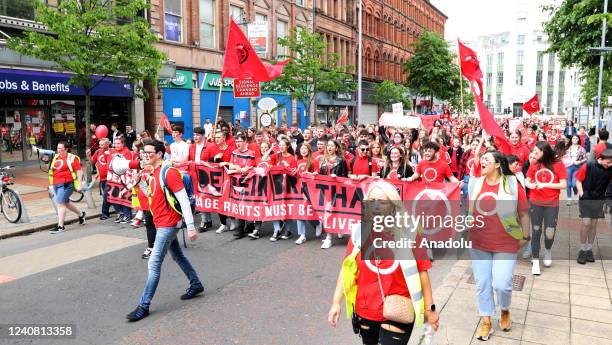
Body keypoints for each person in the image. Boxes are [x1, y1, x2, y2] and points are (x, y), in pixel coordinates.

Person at [327, 180, 438, 345]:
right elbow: (347, 270)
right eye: (372, 201)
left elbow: (423, 272)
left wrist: (430, 310)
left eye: (382, 201)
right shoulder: (359, 232)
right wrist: (336, 302)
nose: (376, 206)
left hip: (398, 308)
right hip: (366, 310)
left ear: (393, 205)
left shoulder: (410, 232)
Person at [126, 139, 204, 322]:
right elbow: (153, 196)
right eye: (143, 153)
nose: (145, 156)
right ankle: (196, 284)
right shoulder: (152, 172)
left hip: (168, 224)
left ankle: (143, 306)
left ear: (160, 154)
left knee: (153, 264)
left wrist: (191, 227)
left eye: (149, 153)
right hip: (161, 222)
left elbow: (184, 200)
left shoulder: (168, 173)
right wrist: (140, 185)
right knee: (177, 256)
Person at [467, 151, 530, 341]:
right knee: (483, 283)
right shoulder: (475, 183)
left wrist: (525, 236)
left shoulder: (511, 183)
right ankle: (486, 320)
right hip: (479, 242)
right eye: (482, 158)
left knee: (502, 284)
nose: (482, 161)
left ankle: (504, 309)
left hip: (506, 241)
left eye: (487, 159)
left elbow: (524, 213)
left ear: (497, 164)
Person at [525, 141, 567, 275]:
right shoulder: (534, 164)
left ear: (545, 152)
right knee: (536, 231)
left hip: (551, 203)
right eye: (533, 151)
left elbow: (563, 184)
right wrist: (530, 186)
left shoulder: (558, 164)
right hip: (535, 202)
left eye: (537, 151)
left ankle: (548, 250)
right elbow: (527, 180)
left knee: (549, 232)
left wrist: (546, 185)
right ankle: (535, 260)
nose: (534, 153)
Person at [575, 149, 612, 264]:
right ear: (601, 159)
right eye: (609, 162)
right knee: (586, 223)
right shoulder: (588, 165)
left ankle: (589, 249)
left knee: (594, 224)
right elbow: (578, 180)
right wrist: (582, 194)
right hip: (586, 197)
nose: (610, 164)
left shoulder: (610, 169)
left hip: (599, 199)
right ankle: (582, 249)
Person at [48, 141, 86, 234]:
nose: (59, 150)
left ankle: (60, 226)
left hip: (67, 183)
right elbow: (52, 169)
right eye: (58, 148)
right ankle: (81, 215)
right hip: (56, 184)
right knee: (66, 202)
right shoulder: (56, 157)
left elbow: (79, 171)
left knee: (60, 203)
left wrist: (80, 185)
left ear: (66, 149)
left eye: (61, 148)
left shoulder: (72, 158)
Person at [319, 139, 349, 249]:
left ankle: (330, 236)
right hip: (325, 191)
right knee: (328, 213)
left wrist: (337, 178)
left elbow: (345, 177)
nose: (330, 147)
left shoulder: (341, 161)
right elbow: (320, 174)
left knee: (333, 213)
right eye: (328, 146)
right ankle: (331, 235)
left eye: (332, 146)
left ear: (336, 148)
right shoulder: (322, 160)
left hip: (337, 191)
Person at [189, 127, 212, 232]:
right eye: (194, 135)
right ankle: (206, 220)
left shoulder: (210, 146)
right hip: (194, 175)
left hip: (206, 176)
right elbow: (188, 160)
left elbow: (213, 161)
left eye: (198, 135)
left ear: (203, 136)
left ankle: (206, 221)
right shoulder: (191, 147)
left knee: (205, 198)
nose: (195, 137)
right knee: (198, 198)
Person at [87, 138, 112, 220]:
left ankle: (105, 213)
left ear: (107, 144)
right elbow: (92, 162)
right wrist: (88, 156)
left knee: (105, 195)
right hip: (102, 178)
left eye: (102, 145)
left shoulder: (111, 151)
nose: (100, 146)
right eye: (100, 144)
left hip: (110, 178)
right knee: (106, 196)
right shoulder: (98, 152)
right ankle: (114, 207)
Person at [564, 135, 587, 205]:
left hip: (577, 167)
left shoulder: (582, 148)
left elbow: (585, 158)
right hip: (568, 167)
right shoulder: (567, 148)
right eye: (573, 138)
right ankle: (569, 199)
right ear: (571, 139)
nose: (575, 139)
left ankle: (575, 195)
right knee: (568, 184)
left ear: (578, 140)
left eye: (576, 138)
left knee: (574, 184)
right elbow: (563, 157)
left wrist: (579, 162)